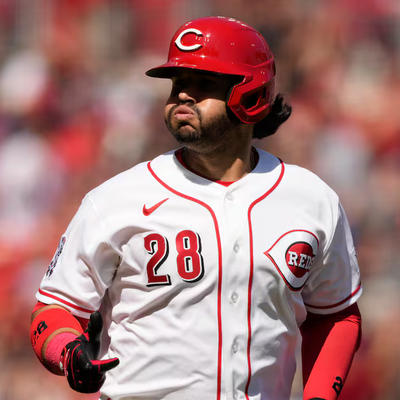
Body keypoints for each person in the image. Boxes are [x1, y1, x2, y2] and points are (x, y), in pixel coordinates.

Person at [30, 16, 362, 400]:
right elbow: (52, 310)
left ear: (251, 95)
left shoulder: (311, 198)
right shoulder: (115, 200)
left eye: (203, 83)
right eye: (177, 83)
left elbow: (334, 314)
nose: (183, 95)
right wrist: (68, 353)